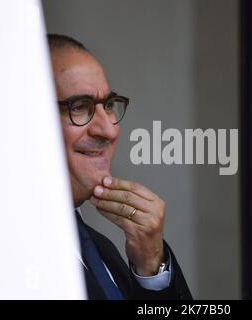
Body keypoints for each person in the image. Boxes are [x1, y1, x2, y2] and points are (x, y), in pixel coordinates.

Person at [48, 34, 192, 300]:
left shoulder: (101, 250)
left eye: (109, 106)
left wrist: (151, 270)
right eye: (80, 107)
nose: (108, 130)